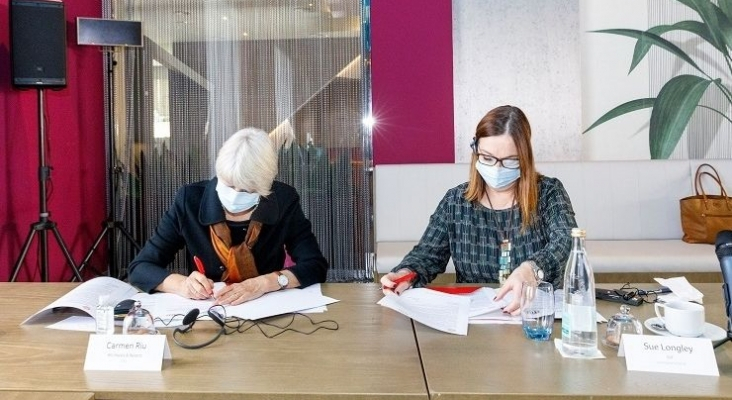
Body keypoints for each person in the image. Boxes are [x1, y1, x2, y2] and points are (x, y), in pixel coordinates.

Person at [380, 105, 577, 314]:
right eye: (488, 158)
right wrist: (405, 273)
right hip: (474, 319)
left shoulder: (549, 193)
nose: (497, 168)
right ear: (476, 153)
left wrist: (532, 269)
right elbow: (427, 256)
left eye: (510, 161)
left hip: (535, 317)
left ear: (525, 158)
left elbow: (566, 240)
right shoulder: (456, 201)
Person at [128, 128, 328, 306]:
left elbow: (314, 266)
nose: (235, 194)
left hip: (266, 315)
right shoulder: (190, 201)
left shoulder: (283, 200)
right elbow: (141, 268)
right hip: (208, 313)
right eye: (229, 185)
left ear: (265, 187)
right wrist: (182, 285)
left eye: (248, 190)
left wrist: (265, 283)